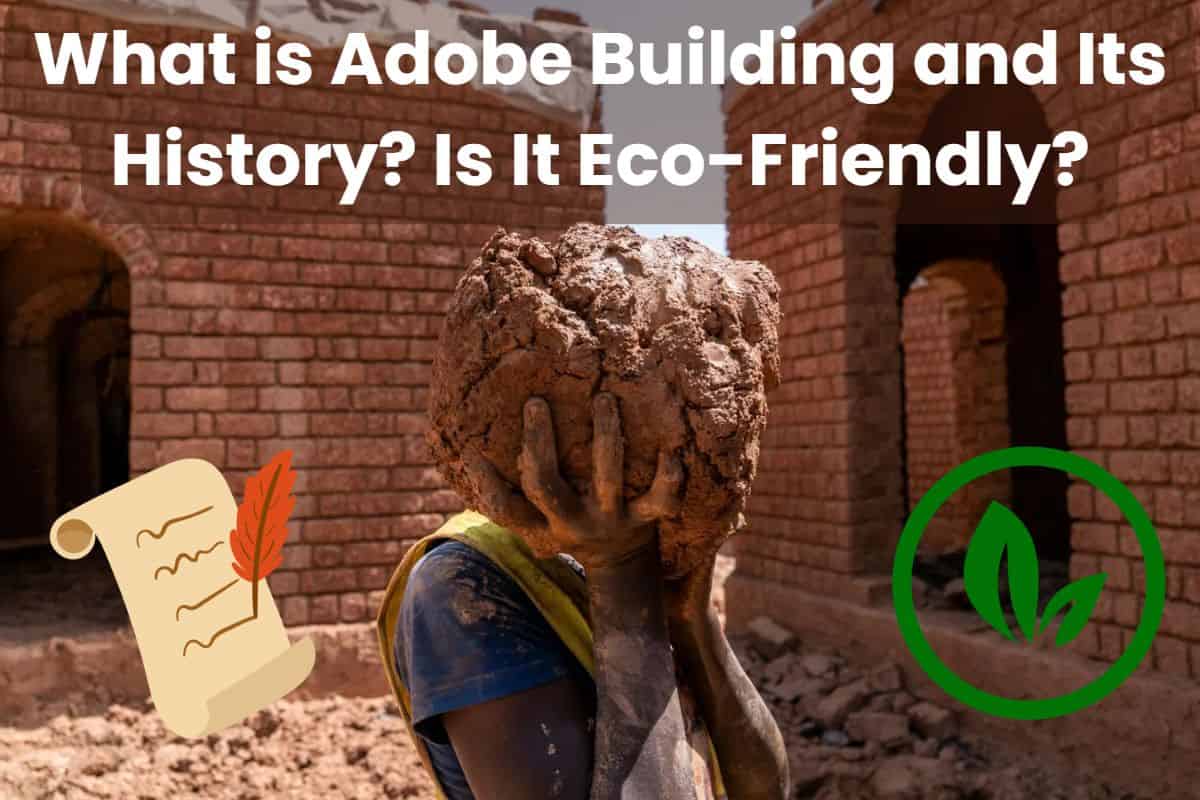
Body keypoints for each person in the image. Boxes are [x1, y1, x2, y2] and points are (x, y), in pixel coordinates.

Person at [376, 394, 788, 799]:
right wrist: (620, 571)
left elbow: (765, 790)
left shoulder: (653, 548)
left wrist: (691, 619)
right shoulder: (466, 585)